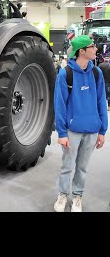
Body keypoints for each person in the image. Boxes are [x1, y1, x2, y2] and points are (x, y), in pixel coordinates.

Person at [53, 35, 107, 212]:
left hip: (92, 130)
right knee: (67, 166)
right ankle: (62, 195)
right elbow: (59, 105)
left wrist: (102, 130)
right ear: (82, 51)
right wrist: (61, 133)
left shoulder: (96, 73)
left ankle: (77, 196)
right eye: (92, 47)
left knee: (82, 167)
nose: (96, 49)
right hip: (72, 131)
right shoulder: (65, 74)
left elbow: (101, 102)